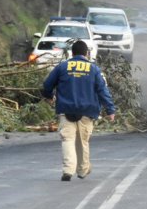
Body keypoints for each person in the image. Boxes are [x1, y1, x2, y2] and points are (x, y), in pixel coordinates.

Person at [42, 40, 116, 181]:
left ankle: (68, 170)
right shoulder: (94, 69)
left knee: (67, 140)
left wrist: (49, 96)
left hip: (65, 109)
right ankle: (82, 171)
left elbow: (47, 85)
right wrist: (110, 109)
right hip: (87, 111)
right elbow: (102, 90)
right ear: (87, 54)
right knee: (82, 141)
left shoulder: (62, 67)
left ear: (72, 53)